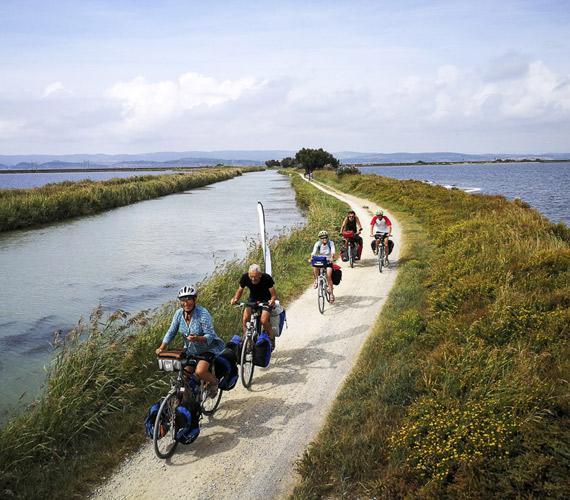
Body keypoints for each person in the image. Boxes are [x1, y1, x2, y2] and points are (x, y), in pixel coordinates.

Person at [156, 285, 225, 397]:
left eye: (189, 299)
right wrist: (161, 348)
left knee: (200, 372)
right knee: (184, 376)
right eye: (183, 300)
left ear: (194, 299)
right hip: (190, 350)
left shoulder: (202, 313)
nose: (186, 303)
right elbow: (171, 331)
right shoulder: (178, 314)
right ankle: (189, 401)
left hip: (208, 349)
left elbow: (210, 335)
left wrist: (197, 338)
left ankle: (214, 382)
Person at [230, 264, 278, 349]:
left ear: (260, 275)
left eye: (255, 277)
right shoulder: (245, 277)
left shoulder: (266, 278)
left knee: (263, 320)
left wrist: (272, 300)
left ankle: (271, 337)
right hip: (253, 299)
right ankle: (247, 339)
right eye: (251, 276)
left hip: (266, 300)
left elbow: (273, 294)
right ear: (248, 274)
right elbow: (240, 289)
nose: (253, 279)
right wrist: (235, 299)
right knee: (245, 318)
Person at [310, 230, 337, 302]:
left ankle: (331, 294)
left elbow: (333, 251)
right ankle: (316, 280)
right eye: (322, 238)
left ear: (327, 237)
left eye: (325, 237)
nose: (324, 239)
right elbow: (314, 251)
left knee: (328, 276)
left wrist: (332, 257)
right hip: (321, 260)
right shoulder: (317, 243)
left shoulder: (330, 243)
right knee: (314, 265)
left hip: (328, 261)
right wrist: (312, 257)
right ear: (319, 238)